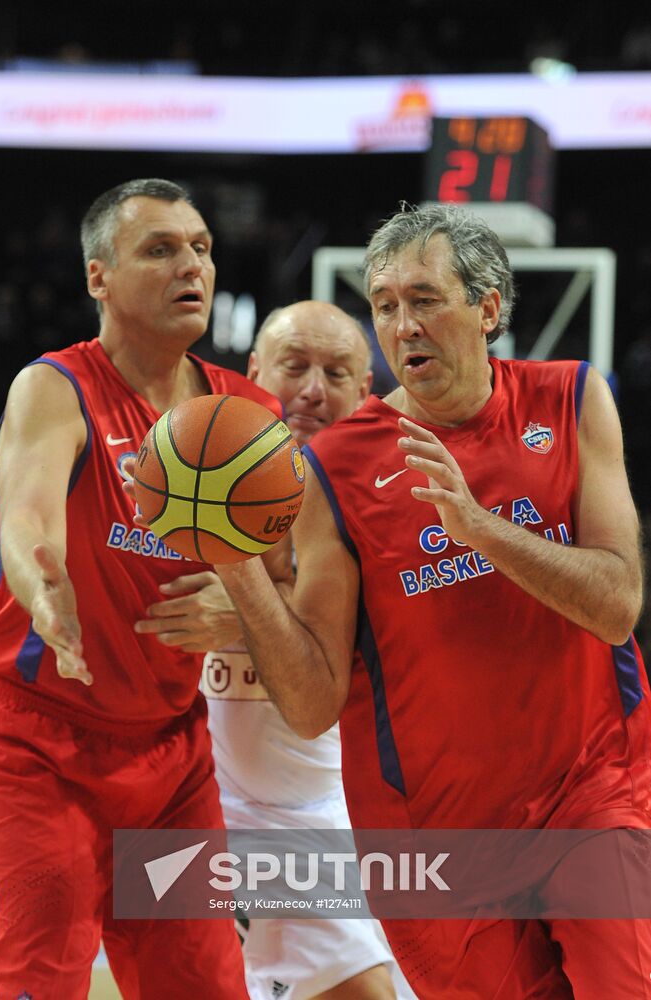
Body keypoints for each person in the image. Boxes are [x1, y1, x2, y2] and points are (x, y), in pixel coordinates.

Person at [212, 204, 651, 999]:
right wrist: (237, 569)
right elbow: (311, 705)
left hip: (588, 794)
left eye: (424, 299)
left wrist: (480, 530)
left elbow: (616, 603)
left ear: (487, 309)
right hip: (432, 837)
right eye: (384, 306)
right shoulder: (335, 468)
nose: (402, 324)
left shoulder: (570, 398)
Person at [0, 178, 287, 999]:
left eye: (200, 249)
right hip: (35, 745)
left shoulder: (248, 414)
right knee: (35, 983)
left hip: (171, 761)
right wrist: (44, 587)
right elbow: (26, 516)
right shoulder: (56, 387)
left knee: (207, 989)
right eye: (160, 249)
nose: (190, 264)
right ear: (97, 277)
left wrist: (249, 611)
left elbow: (297, 587)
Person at [135, 299, 417, 999]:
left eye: (336, 373)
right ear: (254, 372)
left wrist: (245, 613)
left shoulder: (393, 504)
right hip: (232, 821)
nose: (312, 390)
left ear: (366, 396)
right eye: (293, 367)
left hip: (361, 821)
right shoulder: (177, 477)